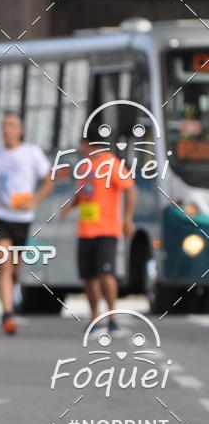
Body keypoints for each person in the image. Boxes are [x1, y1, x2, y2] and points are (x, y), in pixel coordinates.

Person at [0, 112, 53, 334]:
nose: (7, 129)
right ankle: (7, 314)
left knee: (14, 269)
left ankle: (10, 297)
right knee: (3, 263)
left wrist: (34, 200)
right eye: (4, 125)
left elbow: (48, 181)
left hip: (22, 219)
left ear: (21, 130)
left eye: (12, 125)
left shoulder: (32, 153)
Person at [60, 132, 136, 332]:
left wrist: (127, 218)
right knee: (89, 277)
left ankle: (113, 317)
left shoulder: (110, 163)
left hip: (107, 229)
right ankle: (96, 318)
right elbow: (83, 192)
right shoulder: (84, 166)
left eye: (82, 144)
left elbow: (130, 188)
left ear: (87, 143)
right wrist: (70, 206)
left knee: (106, 274)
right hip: (85, 230)